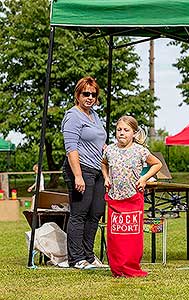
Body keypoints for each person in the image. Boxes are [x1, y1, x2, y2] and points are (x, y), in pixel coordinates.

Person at [102, 116, 162, 277]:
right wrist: (106, 178)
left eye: (126, 130)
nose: (122, 133)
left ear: (134, 133)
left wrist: (144, 178)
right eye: (119, 129)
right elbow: (104, 163)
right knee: (116, 236)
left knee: (131, 236)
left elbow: (157, 164)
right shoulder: (110, 150)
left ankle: (130, 266)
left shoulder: (140, 150)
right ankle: (116, 267)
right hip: (115, 199)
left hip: (133, 197)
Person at [61, 76, 107, 270]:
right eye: (85, 93)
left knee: (95, 212)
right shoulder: (73, 116)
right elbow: (71, 148)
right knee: (79, 214)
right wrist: (78, 176)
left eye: (93, 94)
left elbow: (98, 142)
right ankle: (76, 258)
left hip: (97, 170)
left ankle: (89, 256)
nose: (89, 97)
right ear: (78, 95)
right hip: (80, 170)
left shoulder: (95, 116)